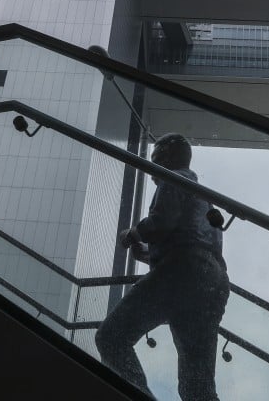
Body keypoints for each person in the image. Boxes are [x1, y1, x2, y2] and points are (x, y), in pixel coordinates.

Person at [95, 133, 230, 401]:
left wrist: (133, 233)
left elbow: (162, 223)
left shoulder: (175, 178)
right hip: (211, 280)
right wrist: (145, 253)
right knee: (197, 385)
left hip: (181, 273)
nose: (152, 173)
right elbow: (189, 243)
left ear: (164, 158)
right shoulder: (203, 198)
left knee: (111, 337)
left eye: (154, 161)